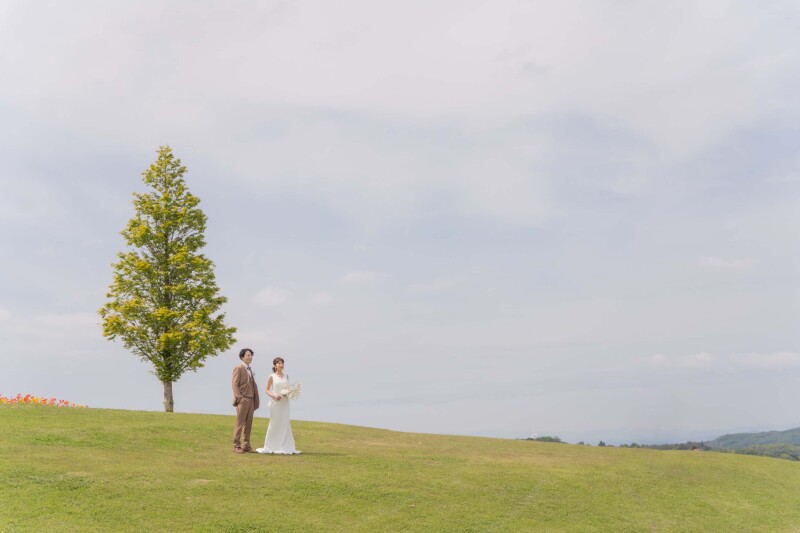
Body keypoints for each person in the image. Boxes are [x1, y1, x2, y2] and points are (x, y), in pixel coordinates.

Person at [257, 356, 301, 454]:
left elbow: (287, 388)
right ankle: (271, 446)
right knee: (274, 423)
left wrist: (290, 392)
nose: (281, 365)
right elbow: (266, 389)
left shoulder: (286, 376)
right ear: (275, 365)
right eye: (279, 363)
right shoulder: (272, 376)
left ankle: (285, 446)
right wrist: (273, 395)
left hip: (285, 403)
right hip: (275, 403)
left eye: (282, 363)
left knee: (285, 423)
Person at [231, 348, 260, 453]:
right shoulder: (238, 368)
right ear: (242, 357)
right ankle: (236, 446)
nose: (250, 357)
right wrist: (240, 398)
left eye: (251, 355)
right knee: (239, 424)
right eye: (248, 355)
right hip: (243, 400)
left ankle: (247, 446)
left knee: (248, 424)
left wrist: (255, 400)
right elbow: (234, 385)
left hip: (251, 400)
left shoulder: (250, 370)